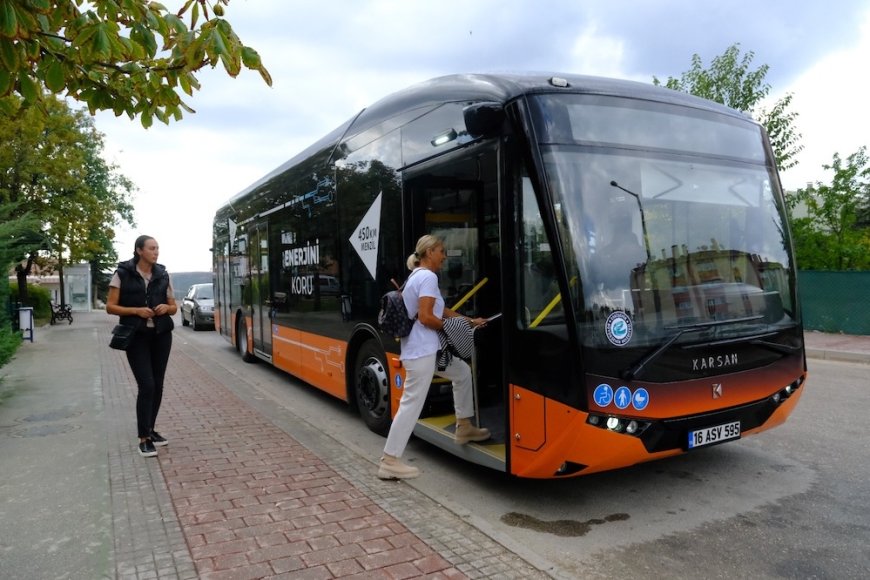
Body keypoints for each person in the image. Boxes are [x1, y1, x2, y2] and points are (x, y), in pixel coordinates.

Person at [378, 235, 491, 480]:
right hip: (422, 352)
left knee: (461, 372)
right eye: (441, 251)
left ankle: (464, 426)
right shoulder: (428, 277)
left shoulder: (416, 276)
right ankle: (390, 460)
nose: (444, 256)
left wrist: (468, 320)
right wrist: (451, 329)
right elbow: (427, 317)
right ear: (429, 252)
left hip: (428, 350)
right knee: (411, 404)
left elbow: (439, 309)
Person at [106, 235, 177, 458]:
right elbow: (110, 307)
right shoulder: (122, 274)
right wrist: (136, 311)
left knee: (158, 385)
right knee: (146, 385)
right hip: (136, 336)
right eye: (152, 248)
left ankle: (151, 429)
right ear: (139, 250)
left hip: (161, 335)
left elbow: (174, 307)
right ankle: (143, 439)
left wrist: (167, 308)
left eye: (158, 248)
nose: (156, 252)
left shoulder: (163, 274)